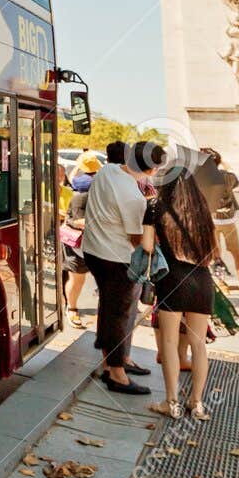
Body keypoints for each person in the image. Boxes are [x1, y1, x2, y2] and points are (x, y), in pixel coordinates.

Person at [82, 141, 164, 395]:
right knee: (118, 315)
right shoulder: (133, 197)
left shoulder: (109, 171)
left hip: (93, 251)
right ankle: (117, 374)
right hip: (116, 258)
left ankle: (111, 362)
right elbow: (137, 239)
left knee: (108, 309)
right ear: (152, 169)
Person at [141, 166, 217, 419]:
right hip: (203, 280)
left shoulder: (155, 207)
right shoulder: (203, 211)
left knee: (170, 343)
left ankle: (171, 402)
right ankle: (197, 403)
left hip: (171, 279)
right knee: (198, 344)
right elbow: (214, 251)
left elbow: (147, 246)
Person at [61, 154, 101, 329]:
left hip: (82, 242)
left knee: (77, 278)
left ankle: (72, 308)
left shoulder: (78, 188)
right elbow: (78, 221)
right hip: (82, 242)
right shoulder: (89, 191)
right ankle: (72, 308)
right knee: (79, 278)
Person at [203, 149, 239, 290]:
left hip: (211, 219)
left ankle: (221, 284)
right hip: (229, 219)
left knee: (215, 255)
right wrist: (222, 160)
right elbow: (236, 175)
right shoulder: (227, 177)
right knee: (236, 253)